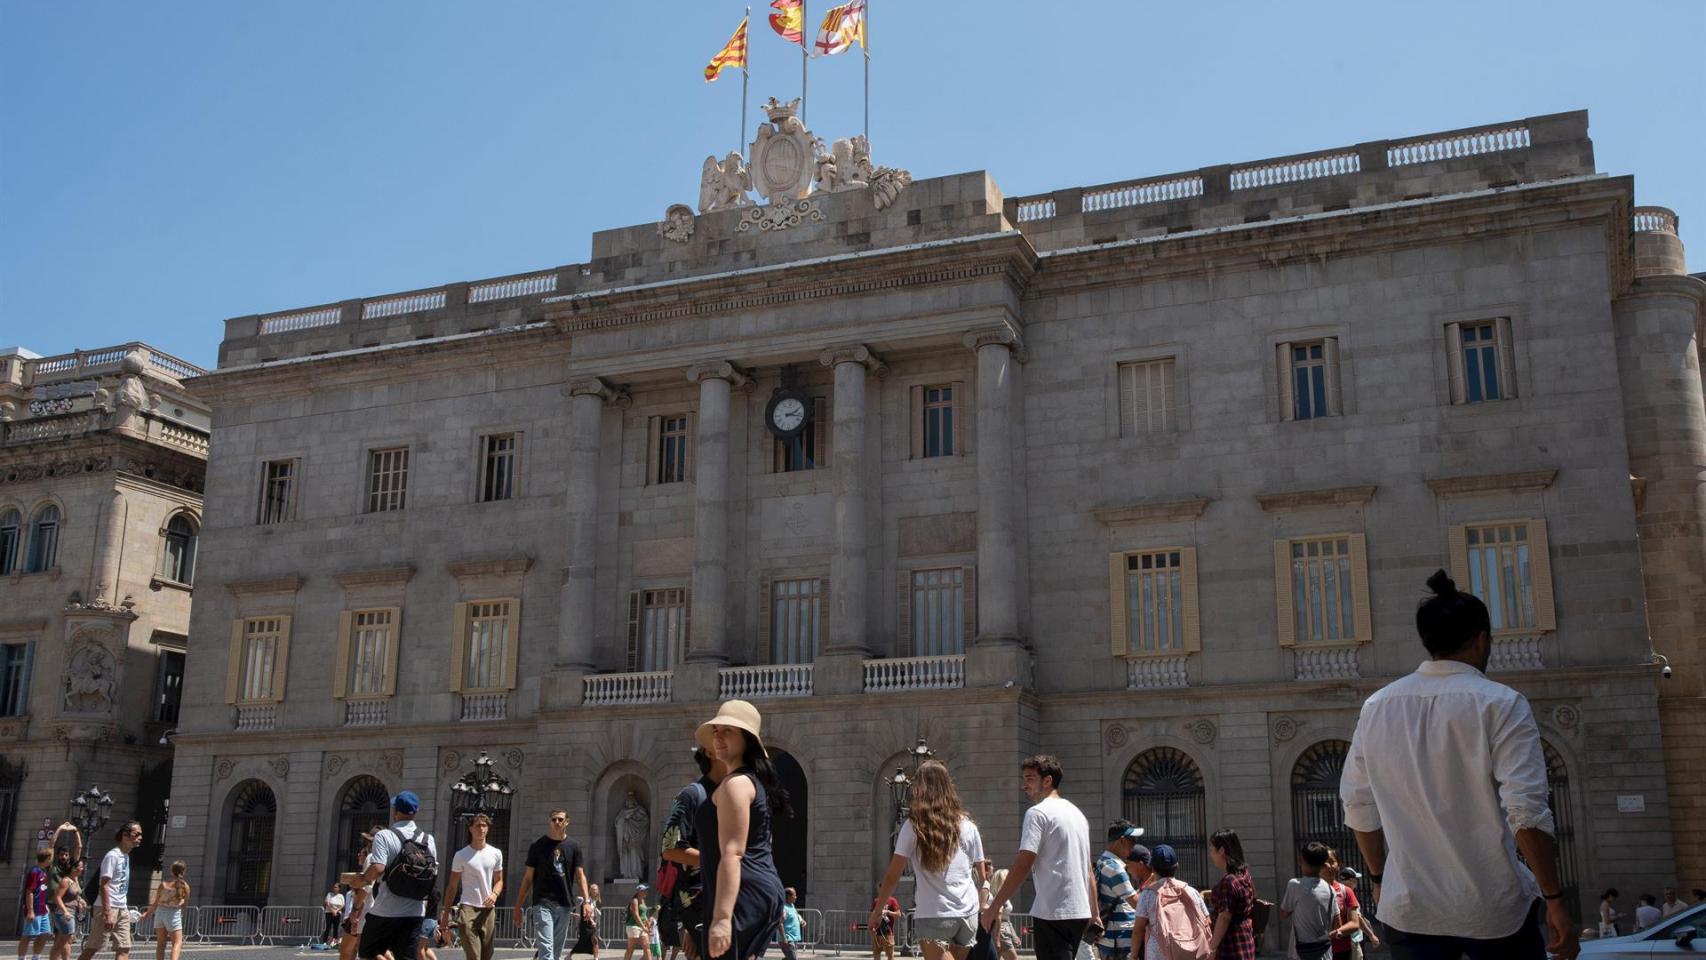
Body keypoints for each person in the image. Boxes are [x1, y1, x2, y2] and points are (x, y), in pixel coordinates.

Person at [1341, 570, 1577, 960]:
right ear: (1482, 639)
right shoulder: (1502, 703)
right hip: (1494, 910)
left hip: (1410, 910)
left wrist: (1380, 877)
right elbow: (1526, 813)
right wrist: (1554, 899)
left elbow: (1357, 804)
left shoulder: (1377, 707)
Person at [696, 699, 787, 960]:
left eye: (728, 731)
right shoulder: (751, 783)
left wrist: (722, 918)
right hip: (755, 888)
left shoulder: (736, 784)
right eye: (716, 731)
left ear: (747, 740)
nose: (718, 737)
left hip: (742, 892)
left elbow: (733, 853)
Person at [979, 756, 1094, 960]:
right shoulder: (1078, 814)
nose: (1024, 785)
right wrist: (1094, 912)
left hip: (1053, 911)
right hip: (1079, 911)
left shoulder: (1037, 813)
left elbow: (1023, 864)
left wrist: (994, 907)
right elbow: (1088, 869)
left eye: (1030, 779)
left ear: (1047, 781)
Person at [872, 760, 985, 960]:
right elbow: (982, 875)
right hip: (968, 912)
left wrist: (878, 911)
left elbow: (892, 875)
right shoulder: (968, 825)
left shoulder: (914, 826)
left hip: (935, 912)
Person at [354, 790, 440, 960]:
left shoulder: (384, 836)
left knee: (367, 952)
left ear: (395, 811)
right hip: (415, 912)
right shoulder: (428, 839)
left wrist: (362, 879)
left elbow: (378, 868)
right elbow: (433, 872)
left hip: (386, 910)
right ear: (415, 812)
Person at [514, 808, 594, 960]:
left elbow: (580, 876)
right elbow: (528, 878)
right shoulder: (537, 846)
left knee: (556, 952)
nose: (557, 822)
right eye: (554, 819)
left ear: (567, 822)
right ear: (549, 822)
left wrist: (587, 902)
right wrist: (518, 906)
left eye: (560, 819)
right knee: (546, 950)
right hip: (542, 902)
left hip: (564, 903)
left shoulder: (574, 846)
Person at [1131, 844, 1210, 960]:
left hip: (1158, 955)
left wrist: (1133, 956)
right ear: (1176, 866)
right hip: (1191, 953)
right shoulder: (1191, 891)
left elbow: (1138, 929)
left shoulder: (1147, 895)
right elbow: (1207, 921)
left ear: (1152, 868)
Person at [442, 812, 504, 960]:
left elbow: (499, 881)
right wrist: (446, 913)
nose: (481, 829)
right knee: (474, 956)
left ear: (488, 828)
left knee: (486, 955)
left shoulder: (496, 853)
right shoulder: (461, 855)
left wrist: (494, 894)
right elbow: (452, 886)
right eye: (478, 826)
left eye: (484, 825)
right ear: (470, 829)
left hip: (488, 909)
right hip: (468, 908)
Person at [78, 820, 142, 960]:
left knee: (124, 947)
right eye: (137, 834)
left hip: (122, 907)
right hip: (107, 907)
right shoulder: (112, 856)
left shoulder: (126, 856)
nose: (140, 837)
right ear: (125, 835)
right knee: (93, 947)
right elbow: (104, 885)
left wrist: (124, 908)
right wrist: (107, 913)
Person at [1092, 821, 1143, 960]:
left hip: (1109, 940)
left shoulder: (1102, 861)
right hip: (1120, 942)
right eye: (1132, 840)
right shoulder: (1114, 869)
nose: (1134, 845)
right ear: (1122, 841)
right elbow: (1137, 904)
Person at [1279, 843, 1336, 960]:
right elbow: (1337, 924)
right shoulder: (1330, 890)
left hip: (1301, 952)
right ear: (1323, 864)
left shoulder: (1294, 885)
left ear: (1301, 861)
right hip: (1324, 952)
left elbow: (1283, 914)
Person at [1206, 830, 1257, 960]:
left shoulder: (1229, 881)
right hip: (1246, 941)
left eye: (1212, 850)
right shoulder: (1244, 874)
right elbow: (1247, 896)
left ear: (1222, 850)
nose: (1211, 855)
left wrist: (1212, 948)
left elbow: (1224, 917)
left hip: (1231, 946)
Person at [138, 861, 190, 960]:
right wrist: (181, 905)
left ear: (171, 871)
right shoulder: (185, 886)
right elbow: (184, 904)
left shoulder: (163, 885)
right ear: (184, 871)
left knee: (161, 944)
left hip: (160, 913)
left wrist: (147, 913)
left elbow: (155, 903)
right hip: (173, 913)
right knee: (177, 942)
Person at [18, 848, 52, 960]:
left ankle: (36, 957)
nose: (51, 860)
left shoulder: (44, 871)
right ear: (47, 858)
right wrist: (30, 910)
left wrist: (45, 904)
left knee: (45, 933)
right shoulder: (34, 871)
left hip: (42, 909)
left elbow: (41, 890)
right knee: (28, 935)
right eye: (50, 858)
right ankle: (21, 958)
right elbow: (30, 892)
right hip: (34, 908)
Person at [48, 859, 83, 960]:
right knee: (62, 942)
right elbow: (57, 897)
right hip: (65, 914)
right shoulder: (66, 881)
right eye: (80, 866)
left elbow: (76, 894)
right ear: (73, 868)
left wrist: (81, 901)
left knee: (64, 941)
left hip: (72, 912)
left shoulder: (75, 879)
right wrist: (65, 911)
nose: (82, 868)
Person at [981, 869, 1019, 960]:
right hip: (1001, 932)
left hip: (1004, 932)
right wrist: (997, 938)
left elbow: (1006, 919)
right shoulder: (996, 898)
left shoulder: (1004, 897)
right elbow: (998, 918)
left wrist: (1014, 935)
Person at [627, 888, 656, 960]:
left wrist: (648, 925)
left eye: (646, 890)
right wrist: (643, 927)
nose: (646, 892)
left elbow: (644, 915)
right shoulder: (634, 900)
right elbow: (636, 915)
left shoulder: (643, 901)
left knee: (647, 947)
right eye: (644, 890)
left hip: (642, 927)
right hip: (633, 926)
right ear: (639, 891)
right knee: (631, 948)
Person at [869, 896, 899, 960]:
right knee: (876, 953)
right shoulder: (876, 900)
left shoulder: (892, 900)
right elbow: (872, 915)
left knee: (890, 954)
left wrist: (888, 912)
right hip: (876, 932)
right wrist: (871, 927)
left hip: (888, 932)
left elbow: (898, 914)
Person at [777, 889, 804, 960]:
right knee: (793, 958)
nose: (796, 897)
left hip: (794, 938)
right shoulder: (783, 908)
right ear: (788, 896)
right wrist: (784, 938)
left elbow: (796, 915)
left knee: (790, 958)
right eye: (794, 895)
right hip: (788, 939)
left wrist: (801, 920)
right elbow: (780, 923)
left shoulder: (792, 905)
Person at [323, 885, 347, 949]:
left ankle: (335, 942)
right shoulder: (329, 894)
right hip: (329, 912)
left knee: (336, 927)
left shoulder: (341, 896)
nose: (334, 888)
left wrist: (336, 911)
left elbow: (343, 905)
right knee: (328, 927)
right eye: (334, 887)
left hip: (337, 913)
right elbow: (327, 903)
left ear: (339, 888)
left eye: (336, 887)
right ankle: (324, 941)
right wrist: (332, 911)